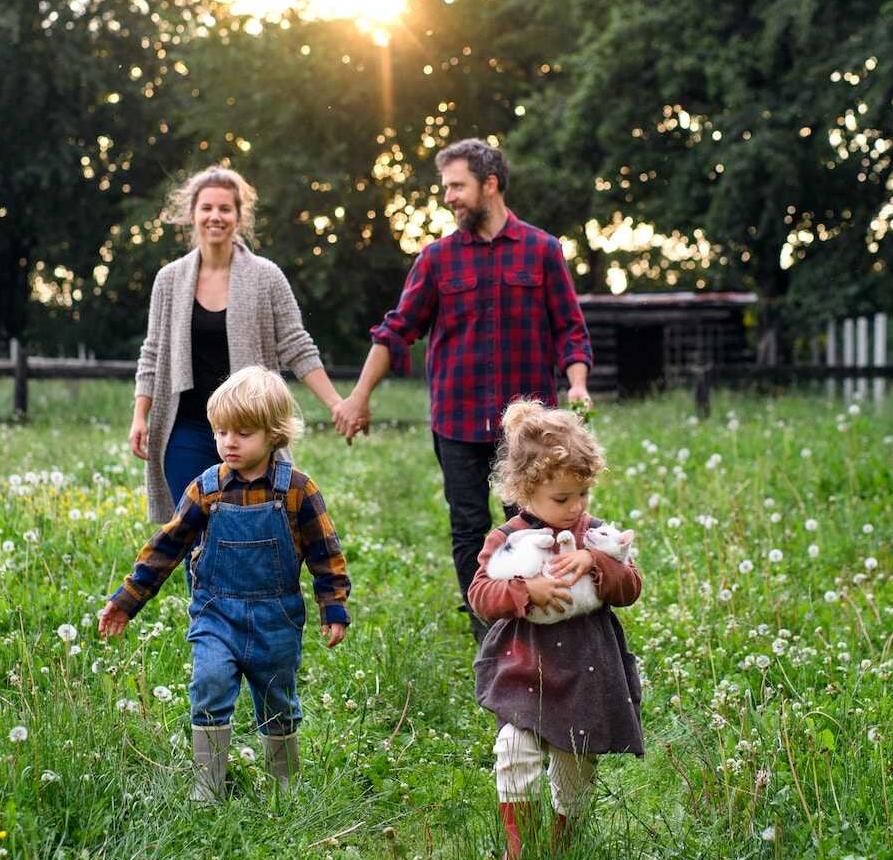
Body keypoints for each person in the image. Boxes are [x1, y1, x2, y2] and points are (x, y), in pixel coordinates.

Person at [333, 138, 592, 640]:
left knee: (538, 523)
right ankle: (491, 633)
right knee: (469, 528)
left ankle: (545, 623)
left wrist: (577, 383)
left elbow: (570, 328)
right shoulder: (436, 260)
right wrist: (358, 396)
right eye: (446, 186)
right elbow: (397, 330)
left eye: (457, 185)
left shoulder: (542, 251)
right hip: (457, 420)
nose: (448, 196)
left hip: (529, 429)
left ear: (489, 185)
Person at [98, 365, 350, 801]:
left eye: (243, 433)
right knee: (209, 685)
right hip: (217, 615)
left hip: (276, 619)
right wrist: (127, 600)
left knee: (278, 701)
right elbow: (167, 545)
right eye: (221, 432)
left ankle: (283, 785)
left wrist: (334, 607)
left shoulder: (298, 491)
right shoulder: (205, 489)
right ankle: (207, 784)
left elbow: (325, 553)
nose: (228, 442)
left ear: (275, 435)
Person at [465, 399, 642, 860]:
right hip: (525, 666)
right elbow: (480, 594)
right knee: (514, 752)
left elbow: (631, 587)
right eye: (561, 499)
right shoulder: (506, 538)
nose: (575, 508)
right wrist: (527, 589)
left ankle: (565, 843)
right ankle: (518, 854)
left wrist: (597, 562)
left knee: (575, 765)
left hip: (586, 671)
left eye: (581, 495)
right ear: (524, 492)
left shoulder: (597, 536)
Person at [130, 167, 349, 529]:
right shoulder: (168, 280)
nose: (215, 216)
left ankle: (245, 588)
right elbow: (152, 352)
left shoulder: (266, 277)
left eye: (225, 209)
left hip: (250, 428)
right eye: (206, 208)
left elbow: (297, 345)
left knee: (252, 524)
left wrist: (336, 403)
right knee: (190, 529)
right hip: (185, 425)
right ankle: (199, 590)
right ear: (192, 215)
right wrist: (141, 415)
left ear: (239, 216)